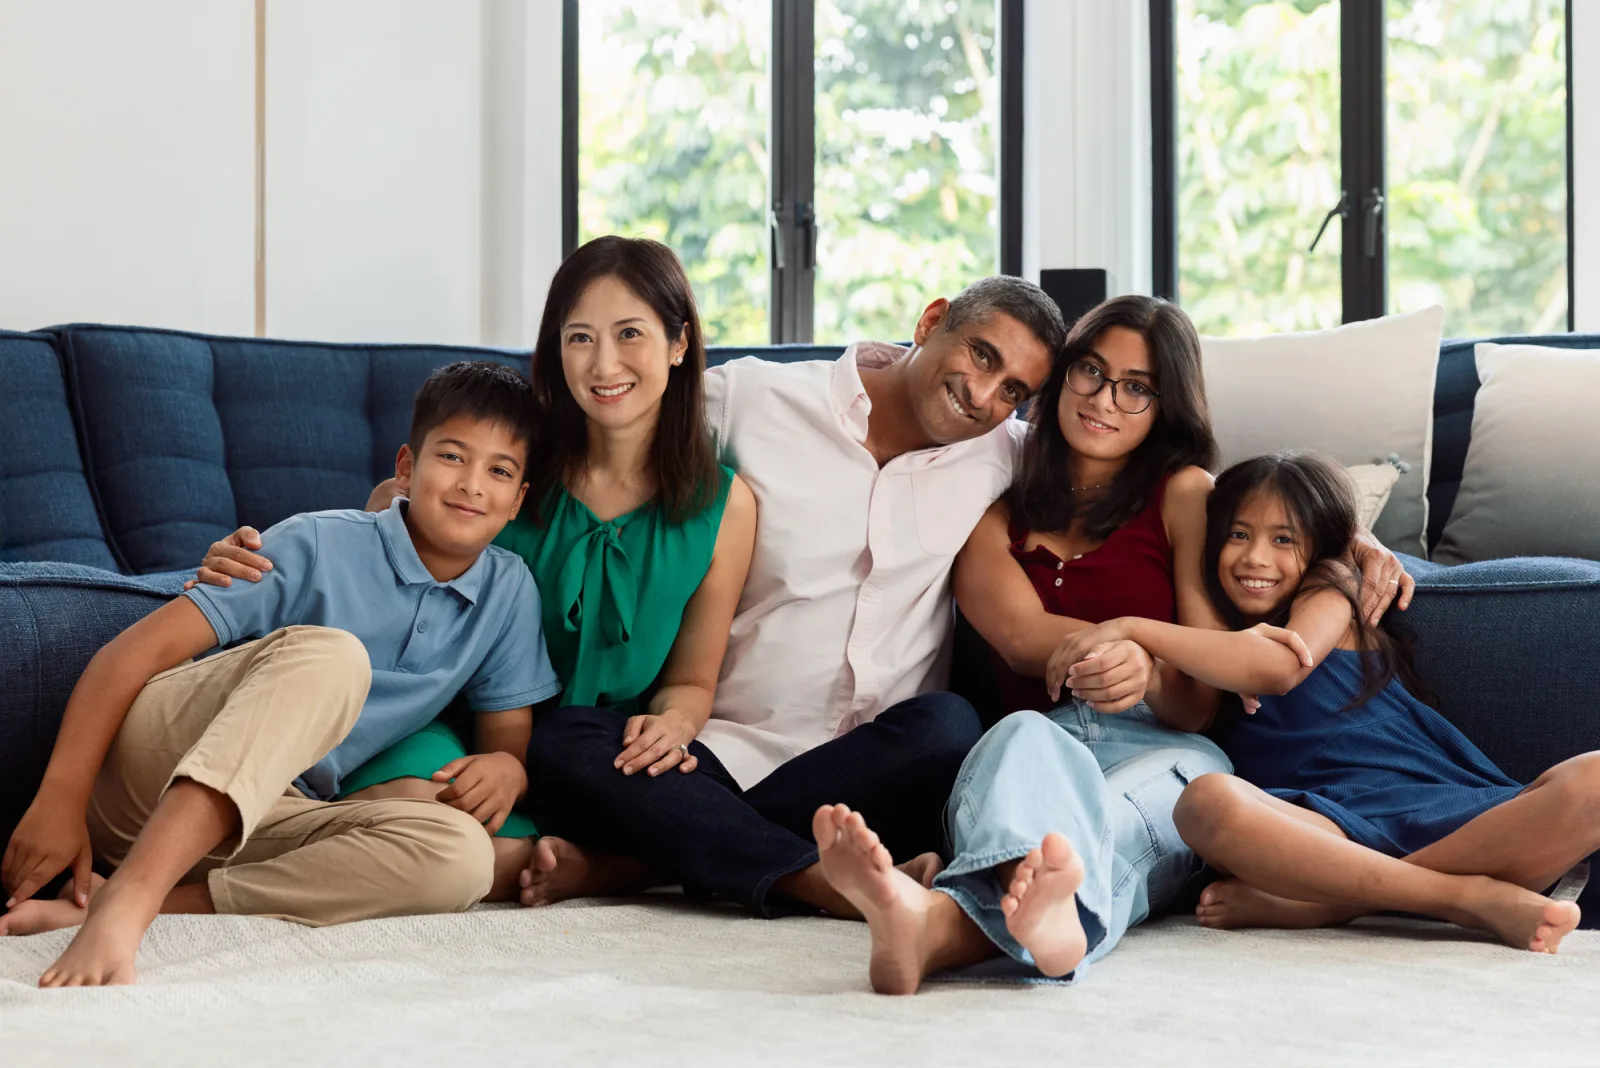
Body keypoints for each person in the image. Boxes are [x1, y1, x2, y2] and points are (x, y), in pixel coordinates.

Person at [810, 297, 1415, 994]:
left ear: (1165, 406)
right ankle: (1041, 923)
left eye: (1136, 388)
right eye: (1090, 373)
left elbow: (1194, 703)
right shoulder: (992, 512)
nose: (1104, 400)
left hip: (1168, 748)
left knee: (1131, 808)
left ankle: (947, 921)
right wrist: (1114, 647)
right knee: (1014, 743)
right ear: (1061, 376)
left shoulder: (1184, 494)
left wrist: (1154, 668)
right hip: (1046, 733)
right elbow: (1018, 636)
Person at [189, 236, 758, 905]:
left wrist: (673, 725)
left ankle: (615, 864)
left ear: (679, 343)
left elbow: (692, 679)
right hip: (457, 728)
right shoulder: (513, 468)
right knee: (460, 841)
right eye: (579, 338)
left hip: (598, 754)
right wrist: (251, 559)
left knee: (641, 807)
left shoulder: (724, 507)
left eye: (630, 333)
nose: (604, 363)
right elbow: (380, 527)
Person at [517, 274, 1068, 916]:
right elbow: (601, 425)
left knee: (950, 725)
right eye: (980, 353)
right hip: (721, 753)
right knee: (566, 739)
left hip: (883, 773)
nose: (982, 395)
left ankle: (639, 862)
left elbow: (1119, 467)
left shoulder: (1004, 453)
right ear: (931, 321)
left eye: (1013, 392)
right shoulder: (751, 398)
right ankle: (816, 879)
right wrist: (416, 499)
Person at [0, 362, 562, 986]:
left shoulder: (509, 590)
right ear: (406, 468)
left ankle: (134, 904)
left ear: (519, 501)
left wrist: (508, 766)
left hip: (266, 816)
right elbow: (127, 656)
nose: (472, 485)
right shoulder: (316, 542)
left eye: (499, 471)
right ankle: (129, 899)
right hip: (155, 769)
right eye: (453, 456)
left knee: (460, 858)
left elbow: (505, 739)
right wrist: (60, 799)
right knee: (336, 657)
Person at [1050, 450, 1592, 952]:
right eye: (1238, 535)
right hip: (1318, 831)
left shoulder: (1330, 587)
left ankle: (1334, 904)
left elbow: (1280, 667)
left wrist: (1129, 627)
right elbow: (1188, 708)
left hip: (1444, 810)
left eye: (1284, 539)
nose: (1256, 558)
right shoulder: (1208, 642)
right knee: (1204, 801)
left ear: (1319, 546)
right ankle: (1463, 898)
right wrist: (1142, 667)